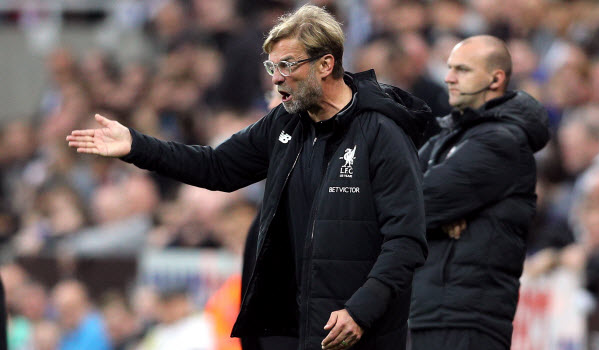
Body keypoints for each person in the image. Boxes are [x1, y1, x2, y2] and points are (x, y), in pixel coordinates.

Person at [67, 5, 433, 350]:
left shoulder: (382, 132)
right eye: (272, 66)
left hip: (356, 332)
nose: (276, 79)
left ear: (325, 64)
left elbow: (405, 240)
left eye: (287, 65)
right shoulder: (285, 123)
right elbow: (215, 167)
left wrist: (361, 310)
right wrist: (136, 145)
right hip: (290, 331)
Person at [408, 35, 550, 350]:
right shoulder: (446, 140)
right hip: (426, 313)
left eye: (462, 69)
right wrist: (437, 219)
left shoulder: (503, 142)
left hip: (466, 320)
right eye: (448, 68)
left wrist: (425, 217)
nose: (448, 77)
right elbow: (391, 195)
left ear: (495, 78)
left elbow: (417, 202)